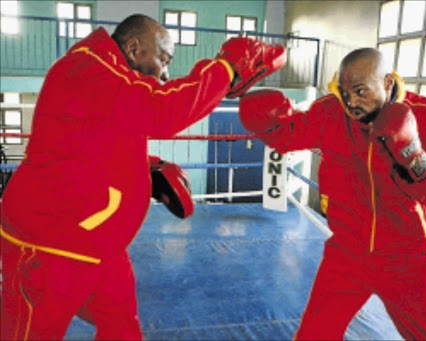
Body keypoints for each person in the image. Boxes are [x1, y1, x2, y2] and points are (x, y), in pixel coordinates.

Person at [0, 14, 285, 340]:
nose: (165, 73)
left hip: (99, 239)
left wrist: (145, 168)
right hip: (51, 241)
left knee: (121, 322)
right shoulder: (86, 68)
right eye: (163, 59)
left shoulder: (111, 77)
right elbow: (160, 110)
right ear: (134, 48)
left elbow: (98, 139)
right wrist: (225, 68)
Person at [239, 47, 426, 340]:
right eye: (344, 90)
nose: (351, 101)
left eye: (360, 90)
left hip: (406, 259)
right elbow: (290, 135)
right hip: (348, 253)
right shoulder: (331, 110)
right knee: (315, 335)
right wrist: (264, 118)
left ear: (388, 82)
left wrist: (412, 154)